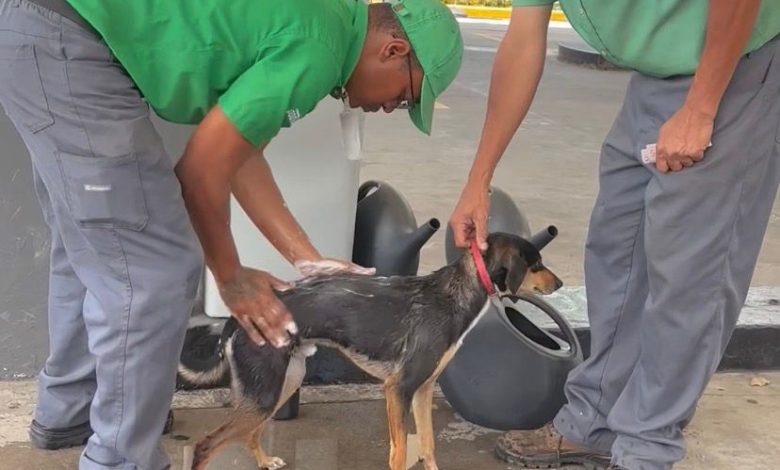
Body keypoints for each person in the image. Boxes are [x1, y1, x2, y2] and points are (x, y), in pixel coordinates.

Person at [0, 0, 463, 467]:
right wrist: (230, 277)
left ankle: (72, 408)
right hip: (70, 41)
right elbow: (201, 172)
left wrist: (305, 256)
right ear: (393, 49)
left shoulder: (325, 21)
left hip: (52, 31)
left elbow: (237, 153)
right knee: (154, 270)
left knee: (99, 244)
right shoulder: (319, 48)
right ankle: (120, 459)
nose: (390, 107)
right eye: (406, 96)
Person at [449, 1, 779, 469]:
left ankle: (646, 448)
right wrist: (478, 180)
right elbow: (523, 40)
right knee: (615, 254)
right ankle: (596, 420)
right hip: (656, 72)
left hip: (731, 65)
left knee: (690, 274)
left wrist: (701, 106)